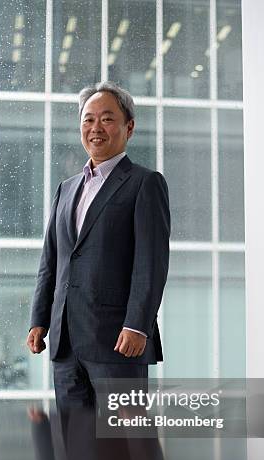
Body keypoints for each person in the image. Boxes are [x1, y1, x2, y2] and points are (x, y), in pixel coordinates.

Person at [26, 80, 170, 424]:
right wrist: (39, 319)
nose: (95, 128)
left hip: (117, 342)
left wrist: (138, 325)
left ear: (128, 127)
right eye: (88, 120)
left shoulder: (144, 183)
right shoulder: (66, 188)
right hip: (66, 343)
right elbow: (52, 260)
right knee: (74, 444)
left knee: (126, 448)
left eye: (107, 119)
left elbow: (150, 263)